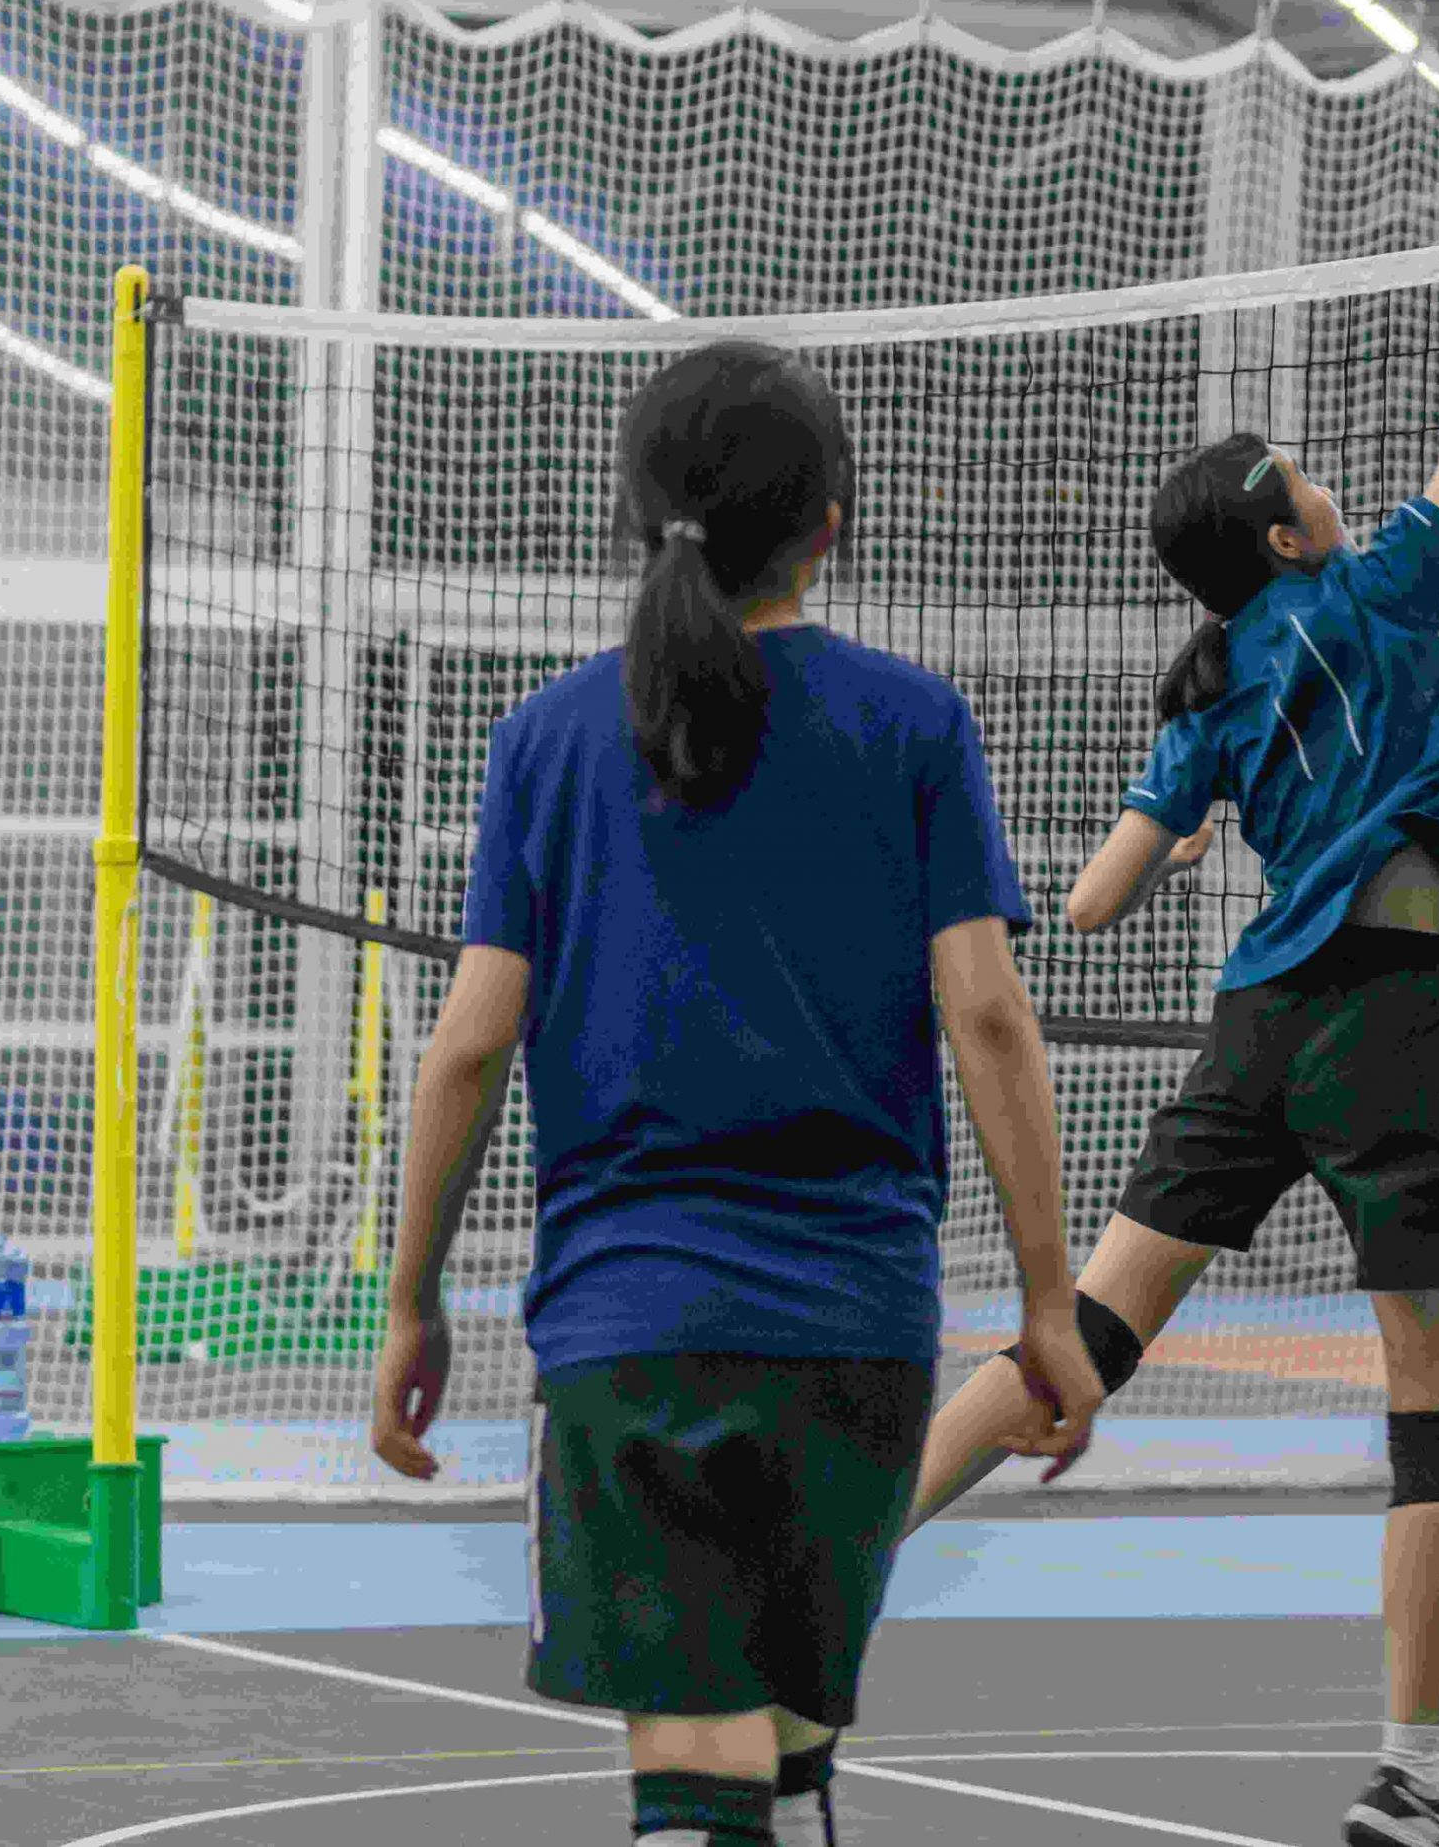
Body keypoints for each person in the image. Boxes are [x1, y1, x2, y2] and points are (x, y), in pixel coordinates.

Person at [896, 57, 1439, 1847]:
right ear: (1284, 529)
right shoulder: (1383, 588)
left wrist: (1175, 850)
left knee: (1081, 1333)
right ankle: (1408, 1777)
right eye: (1308, 477)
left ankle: (841, 1563)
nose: (1332, 483)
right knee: (1437, 1419)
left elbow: (1087, 902)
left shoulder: (1207, 697)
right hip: (1401, 1020)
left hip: (1254, 1028)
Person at [366, 341, 1101, 1847]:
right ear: (833, 520)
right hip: (857, 1328)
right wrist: (1048, 1303)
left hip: (632, 1329)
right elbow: (990, 1019)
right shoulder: (911, 724)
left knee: (698, 1776)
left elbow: (464, 1048)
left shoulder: (547, 739)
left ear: (639, 518)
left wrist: (412, 1298)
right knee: (788, 1751)